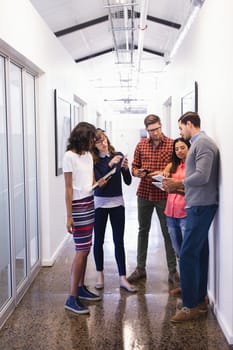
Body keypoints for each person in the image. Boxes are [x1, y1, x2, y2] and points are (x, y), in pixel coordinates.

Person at [162, 111, 219, 322]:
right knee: (200, 252)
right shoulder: (199, 143)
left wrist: (178, 183)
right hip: (199, 203)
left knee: (186, 254)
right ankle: (198, 298)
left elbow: (202, 176)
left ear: (189, 124)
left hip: (201, 205)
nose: (180, 133)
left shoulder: (202, 143)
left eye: (180, 128)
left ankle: (189, 306)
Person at [127, 114, 178, 286]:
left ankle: (173, 271)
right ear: (146, 130)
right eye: (150, 131)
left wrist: (165, 172)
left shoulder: (172, 144)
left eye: (156, 129)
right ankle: (140, 268)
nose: (154, 133)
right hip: (144, 193)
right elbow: (134, 167)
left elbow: (178, 168)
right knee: (143, 230)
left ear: (161, 125)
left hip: (164, 194)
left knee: (167, 232)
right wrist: (137, 173)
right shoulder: (141, 145)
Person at [63, 121, 102, 315]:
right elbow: (69, 188)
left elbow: (91, 181)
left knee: (86, 250)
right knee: (81, 251)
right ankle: (71, 298)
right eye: (90, 139)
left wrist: (99, 182)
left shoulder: (88, 155)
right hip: (78, 207)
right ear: (81, 137)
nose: (92, 142)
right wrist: (69, 216)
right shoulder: (69, 156)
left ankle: (80, 287)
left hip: (90, 202)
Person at [92, 129, 137, 292]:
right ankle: (100, 275)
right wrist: (110, 165)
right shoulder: (93, 161)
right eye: (98, 142)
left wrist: (125, 168)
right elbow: (98, 182)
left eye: (104, 140)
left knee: (119, 241)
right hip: (99, 204)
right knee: (99, 241)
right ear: (93, 145)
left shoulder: (117, 155)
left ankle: (122, 278)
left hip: (118, 203)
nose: (103, 143)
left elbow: (128, 182)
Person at [163, 137, 190, 296]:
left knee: (187, 252)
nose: (179, 151)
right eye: (177, 148)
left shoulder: (191, 166)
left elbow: (191, 190)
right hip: (170, 214)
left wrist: (175, 188)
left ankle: (190, 288)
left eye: (182, 148)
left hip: (184, 213)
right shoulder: (175, 166)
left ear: (189, 148)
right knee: (179, 253)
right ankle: (185, 285)